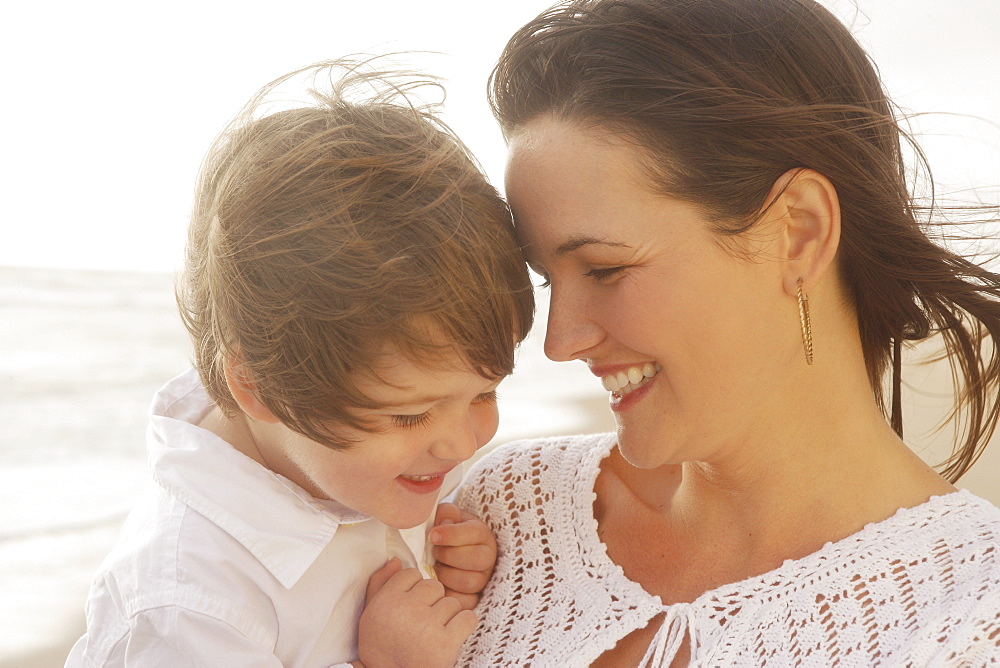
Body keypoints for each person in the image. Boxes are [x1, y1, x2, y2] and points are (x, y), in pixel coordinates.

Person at [455, 0, 1000, 665]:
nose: (559, 341)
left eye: (604, 269)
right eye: (547, 279)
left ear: (798, 231)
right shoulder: (503, 519)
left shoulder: (974, 617)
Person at [65, 59, 534, 668]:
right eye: (411, 416)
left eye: (484, 394)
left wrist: (448, 576)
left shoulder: (339, 460)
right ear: (261, 389)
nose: (459, 443)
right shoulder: (186, 604)